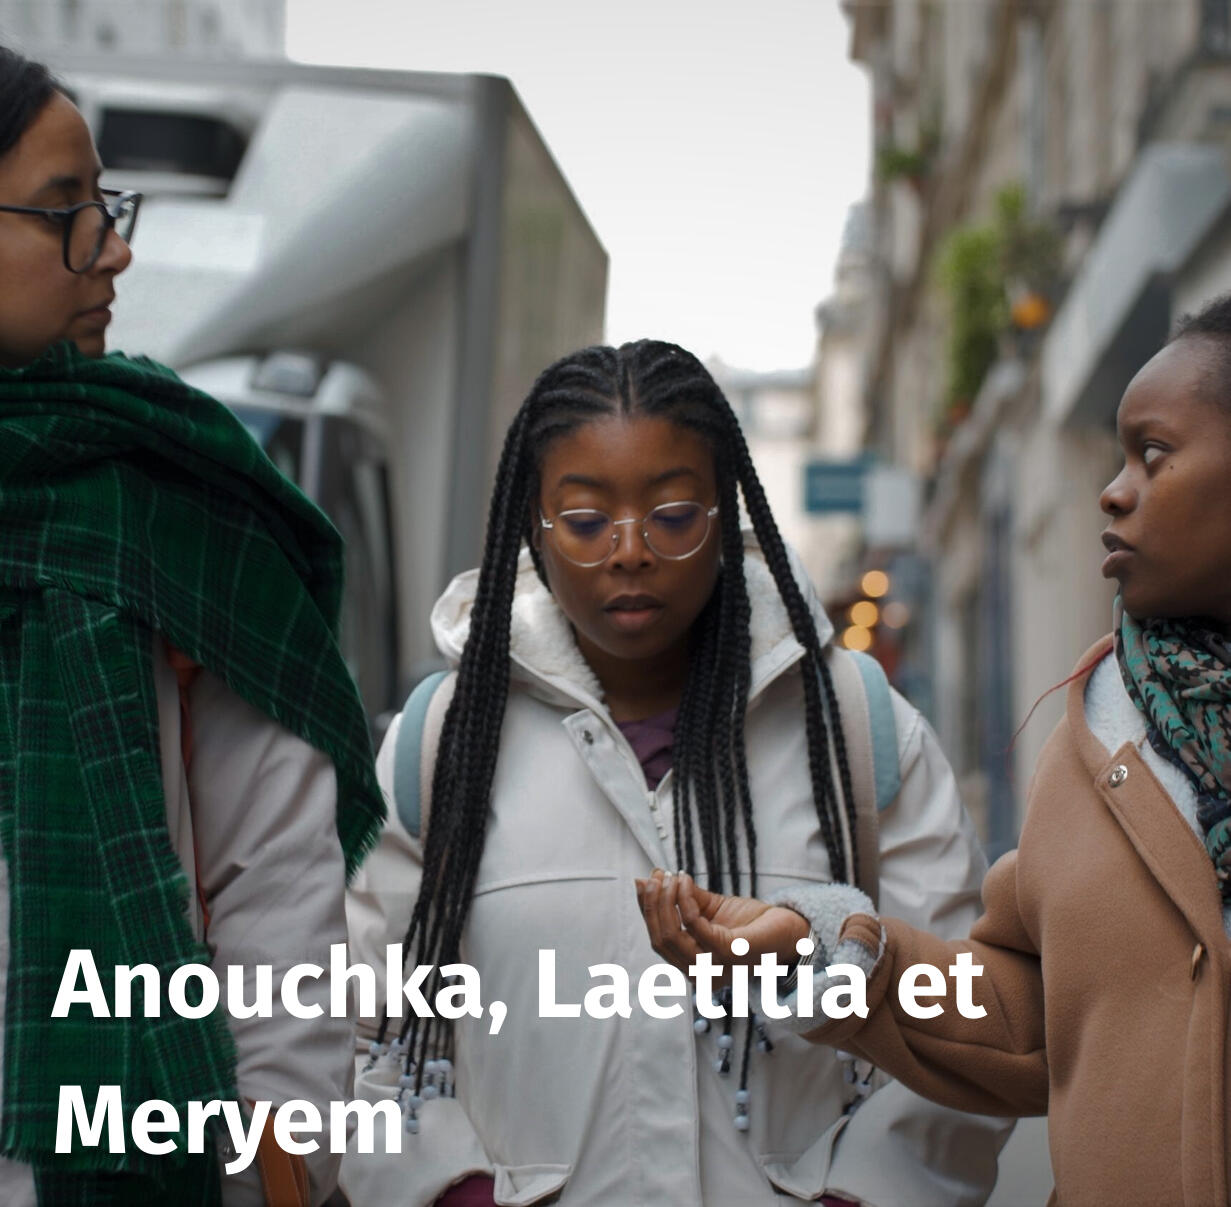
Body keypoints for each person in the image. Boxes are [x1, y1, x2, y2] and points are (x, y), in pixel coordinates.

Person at [344, 339, 1012, 1206]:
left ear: (723, 513)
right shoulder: (441, 742)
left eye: (671, 514)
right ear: (532, 526)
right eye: (585, 521)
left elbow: (956, 1022)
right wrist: (452, 1193)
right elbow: (358, 1038)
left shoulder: (853, 727)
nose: (629, 551)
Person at [639, 296, 1231, 1205]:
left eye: (1152, 455)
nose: (1112, 490)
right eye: (1116, 457)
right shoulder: (1098, 730)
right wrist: (816, 949)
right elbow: (1034, 1010)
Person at [0, 46, 383, 1204]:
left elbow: (276, 871)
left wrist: (282, 1156)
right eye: (66, 213)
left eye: (105, 209)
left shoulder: (169, 490)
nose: (115, 249)